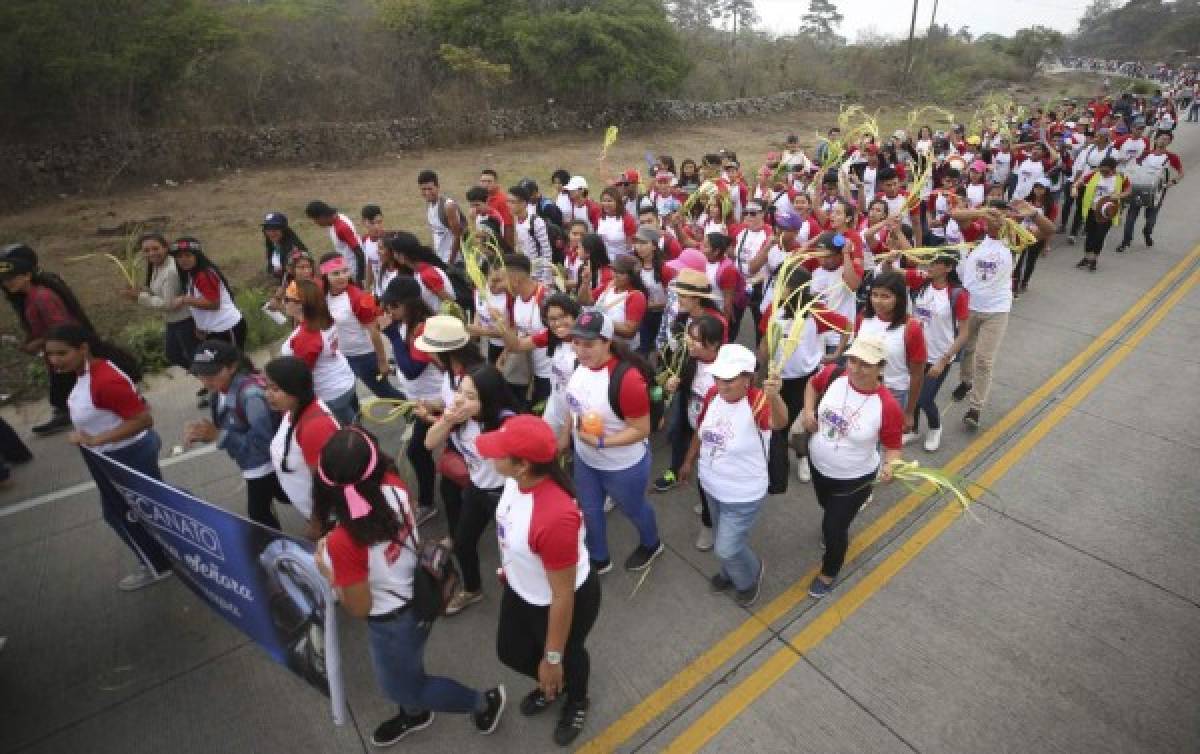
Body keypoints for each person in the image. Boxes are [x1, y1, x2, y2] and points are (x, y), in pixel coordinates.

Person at [314, 427, 506, 747]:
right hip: (418, 592)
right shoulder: (394, 484)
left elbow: (358, 607)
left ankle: (483, 702)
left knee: (403, 687)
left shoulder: (343, 541)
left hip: (391, 621)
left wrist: (330, 574)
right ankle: (415, 713)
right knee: (406, 670)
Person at [475, 414, 601, 747]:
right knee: (511, 651)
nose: (491, 455)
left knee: (569, 654)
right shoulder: (515, 481)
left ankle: (576, 698)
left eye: (500, 452)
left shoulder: (555, 517)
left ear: (523, 465)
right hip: (522, 590)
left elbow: (563, 597)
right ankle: (552, 685)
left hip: (559, 602)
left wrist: (552, 659)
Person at [44, 324, 173, 591]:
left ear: (83, 348)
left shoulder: (104, 380)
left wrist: (95, 439)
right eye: (50, 354)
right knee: (142, 507)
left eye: (61, 353)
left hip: (123, 456)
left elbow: (143, 419)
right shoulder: (86, 373)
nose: (54, 360)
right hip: (112, 454)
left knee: (122, 514)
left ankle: (157, 565)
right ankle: (167, 552)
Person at [679, 344, 787, 606]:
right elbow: (701, 431)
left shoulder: (757, 401)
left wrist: (774, 397)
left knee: (726, 546)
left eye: (730, 379)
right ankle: (729, 572)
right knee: (721, 536)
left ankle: (750, 577)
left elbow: (779, 422)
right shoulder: (713, 394)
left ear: (748, 378)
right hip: (712, 487)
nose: (722, 385)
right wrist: (688, 461)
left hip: (743, 494)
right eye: (718, 377)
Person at [801, 336, 904, 598]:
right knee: (827, 509)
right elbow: (812, 386)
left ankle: (829, 572)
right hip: (819, 467)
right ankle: (835, 522)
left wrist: (892, 466)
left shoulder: (888, 406)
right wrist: (809, 412)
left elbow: (893, 448)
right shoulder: (834, 374)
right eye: (853, 360)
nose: (856, 369)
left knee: (834, 529)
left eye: (865, 364)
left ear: (881, 367)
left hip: (854, 479)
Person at [564, 308, 663, 573]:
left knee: (634, 509)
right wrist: (567, 439)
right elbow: (573, 408)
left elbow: (642, 429)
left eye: (589, 344)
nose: (581, 350)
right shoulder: (579, 366)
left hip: (623, 466)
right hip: (587, 461)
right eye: (576, 342)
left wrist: (601, 443)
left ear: (607, 341)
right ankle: (599, 558)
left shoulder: (627, 379)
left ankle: (652, 544)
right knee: (589, 509)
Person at [424, 364, 520, 615]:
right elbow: (429, 442)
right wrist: (447, 418)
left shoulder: (505, 422)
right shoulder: (460, 418)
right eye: (460, 392)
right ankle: (472, 589)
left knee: (513, 554)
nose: (460, 400)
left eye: (471, 397)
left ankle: (525, 597)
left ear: (488, 399)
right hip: (477, 488)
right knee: (463, 542)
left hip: (505, 495)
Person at [949, 202, 1053, 427]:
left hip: (996, 309)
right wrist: (981, 212)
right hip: (970, 305)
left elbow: (1049, 230)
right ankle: (966, 382)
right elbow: (955, 214)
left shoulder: (1015, 239)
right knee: (967, 349)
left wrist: (1034, 214)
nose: (997, 221)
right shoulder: (975, 233)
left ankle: (975, 408)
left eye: (1002, 216)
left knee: (984, 360)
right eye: (992, 216)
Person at [756, 264, 848, 485]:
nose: (778, 287)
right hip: (778, 379)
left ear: (795, 288)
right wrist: (760, 365)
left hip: (806, 380)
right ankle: (778, 464)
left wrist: (834, 354)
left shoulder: (816, 310)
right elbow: (764, 343)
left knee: (799, 427)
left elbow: (847, 326)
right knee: (777, 424)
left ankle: (802, 455)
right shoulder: (774, 308)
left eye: (782, 284)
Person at [186, 340, 290, 529]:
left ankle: (276, 549)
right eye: (200, 374)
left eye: (212, 373)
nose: (205, 380)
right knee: (285, 494)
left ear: (232, 367)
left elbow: (263, 445)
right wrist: (205, 434)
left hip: (264, 464)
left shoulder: (251, 396)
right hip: (256, 463)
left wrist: (219, 436)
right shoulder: (219, 391)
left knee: (259, 514)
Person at [0, 244, 94, 436]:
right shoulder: (28, 296)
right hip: (57, 352)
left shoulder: (42, 297)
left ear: (27, 275)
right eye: (3, 279)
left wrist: (37, 343)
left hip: (67, 351)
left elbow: (61, 329)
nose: (6, 283)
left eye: (11, 278)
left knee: (76, 384)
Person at [380, 278, 444, 525]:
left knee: (418, 451)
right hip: (423, 400)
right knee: (419, 450)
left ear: (408, 304)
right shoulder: (408, 324)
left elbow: (412, 370)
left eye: (393, 307)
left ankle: (428, 503)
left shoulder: (421, 329)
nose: (389, 313)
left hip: (437, 401)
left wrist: (393, 337)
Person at [264, 355, 340, 535]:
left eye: (275, 389)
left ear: (295, 390)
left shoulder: (315, 427)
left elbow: (325, 484)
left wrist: (317, 523)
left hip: (330, 520)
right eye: (266, 386)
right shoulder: (293, 409)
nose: (268, 394)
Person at [904, 252, 970, 452]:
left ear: (948, 268)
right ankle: (912, 429)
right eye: (929, 261)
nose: (929, 266)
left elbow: (964, 333)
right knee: (912, 393)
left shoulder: (957, 294)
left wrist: (944, 360)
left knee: (924, 398)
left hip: (939, 357)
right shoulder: (921, 283)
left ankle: (935, 427)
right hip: (915, 354)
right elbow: (894, 272)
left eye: (935, 263)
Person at [124, 232, 197, 397]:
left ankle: (212, 383)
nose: (151, 253)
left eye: (155, 248)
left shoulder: (170, 271)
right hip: (174, 321)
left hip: (184, 320)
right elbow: (160, 295)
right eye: (146, 250)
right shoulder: (157, 266)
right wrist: (142, 291)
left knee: (190, 356)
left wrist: (139, 298)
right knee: (174, 354)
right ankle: (208, 379)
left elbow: (168, 304)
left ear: (165, 247)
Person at [856, 270, 927, 440]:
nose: (878, 301)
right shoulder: (863, 318)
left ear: (899, 298)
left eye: (885, 296)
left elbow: (917, 374)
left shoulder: (911, 328)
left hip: (893, 393)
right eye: (874, 295)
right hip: (861, 386)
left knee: (886, 441)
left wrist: (909, 413)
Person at [321, 255, 403, 401]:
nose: (342, 277)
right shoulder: (323, 295)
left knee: (385, 393)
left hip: (364, 357)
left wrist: (382, 362)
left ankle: (415, 415)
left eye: (345, 271)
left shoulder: (360, 297)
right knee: (348, 394)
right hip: (340, 356)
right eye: (336, 273)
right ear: (324, 275)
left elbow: (374, 332)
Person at [499, 293, 581, 438]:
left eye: (563, 316)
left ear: (574, 315)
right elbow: (516, 346)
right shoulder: (550, 336)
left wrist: (565, 434)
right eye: (553, 319)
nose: (558, 323)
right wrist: (502, 325)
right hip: (555, 405)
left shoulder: (586, 343)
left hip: (578, 412)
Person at [280, 280, 359, 425]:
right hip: (343, 379)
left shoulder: (307, 337)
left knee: (348, 434)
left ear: (300, 304)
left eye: (286, 299)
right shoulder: (322, 318)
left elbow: (302, 376)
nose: (283, 302)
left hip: (330, 393)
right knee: (352, 422)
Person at [171, 237, 246, 348]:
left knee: (235, 363)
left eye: (188, 255)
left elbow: (213, 304)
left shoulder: (204, 275)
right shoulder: (191, 274)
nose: (183, 260)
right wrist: (201, 326)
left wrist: (184, 299)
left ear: (197, 255)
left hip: (226, 327)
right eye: (179, 257)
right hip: (213, 330)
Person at [1119, 131, 1184, 252]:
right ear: (1156, 140)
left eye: (1166, 139)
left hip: (1157, 191)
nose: (1163, 141)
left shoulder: (1172, 157)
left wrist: (1172, 182)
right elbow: (1133, 167)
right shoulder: (1145, 154)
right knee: (1131, 216)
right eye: (1161, 138)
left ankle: (1147, 232)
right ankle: (1126, 241)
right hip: (1139, 188)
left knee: (1150, 219)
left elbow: (1181, 173)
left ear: (1169, 142)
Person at [504, 254, 553, 410]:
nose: (504, 284)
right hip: (530, 368)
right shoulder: (516, 298)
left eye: (505, 279)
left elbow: (559, 333)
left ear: (516, 279)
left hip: (549, 371)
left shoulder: (545, 298)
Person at [1071, 156, 1130, 271]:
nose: (1103, 173)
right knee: (1089, 235)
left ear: (1113, 169)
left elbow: (1128, 190)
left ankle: (1094, 259)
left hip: (1106, 213)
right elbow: (1079, 182)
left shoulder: (1121, 177)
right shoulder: (1094, 174)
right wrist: (1074, 188)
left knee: (1100, 236)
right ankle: (1086, 257)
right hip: (1091, 210)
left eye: (1106, 171)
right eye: (1101, 170)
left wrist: (1119, 195)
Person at [580, 255, 647, 350]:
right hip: (602, 346)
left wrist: (599, 320)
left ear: (632, 276)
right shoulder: (609, 285)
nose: (615, 275)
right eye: (614, 270)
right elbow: (584, 301)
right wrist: (585, 283)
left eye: (621, 272)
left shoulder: (636, 296)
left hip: (623, 351)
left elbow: (629, 332)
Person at [305, 200, 365, 285]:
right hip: (345, 267)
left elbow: (359, 252)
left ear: (322, 216)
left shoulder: (341, 227)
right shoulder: (336, 219)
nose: (315, 223)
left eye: (315, 219)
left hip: (353, 271)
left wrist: (360, 278)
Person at [509, 184, 554, 286]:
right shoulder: (516, 221)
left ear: (524, 203)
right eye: (508, 201)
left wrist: (545, 280)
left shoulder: (536, 222)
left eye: (513, 202)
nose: (509, 205)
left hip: (539, 278)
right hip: (526, 275)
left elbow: (546, 251)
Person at [418, 170, 466, 264]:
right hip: (441, 259)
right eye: (423, 189)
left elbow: (458, 236)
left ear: (438, 187)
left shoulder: (448, 206)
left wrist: (450, 263)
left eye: (430, 189)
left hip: (456, 262)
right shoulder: (430, 206)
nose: (427, 193)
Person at [261, 212, 308, 284]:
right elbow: (271, 267)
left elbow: (300, 274)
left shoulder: (294, 248)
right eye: (268, 229)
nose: (271, 233)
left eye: (275, 229)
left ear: (284, 230)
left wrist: (283, 270)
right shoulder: (273, 243)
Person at [360, 204, 386, 293]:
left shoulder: (388, 240)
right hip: (378, 291)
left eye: (379, 222)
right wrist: (367, 288)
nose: (377, 227)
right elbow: (369, 263)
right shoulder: (364, 240)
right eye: (372, 223)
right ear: (364, 222)